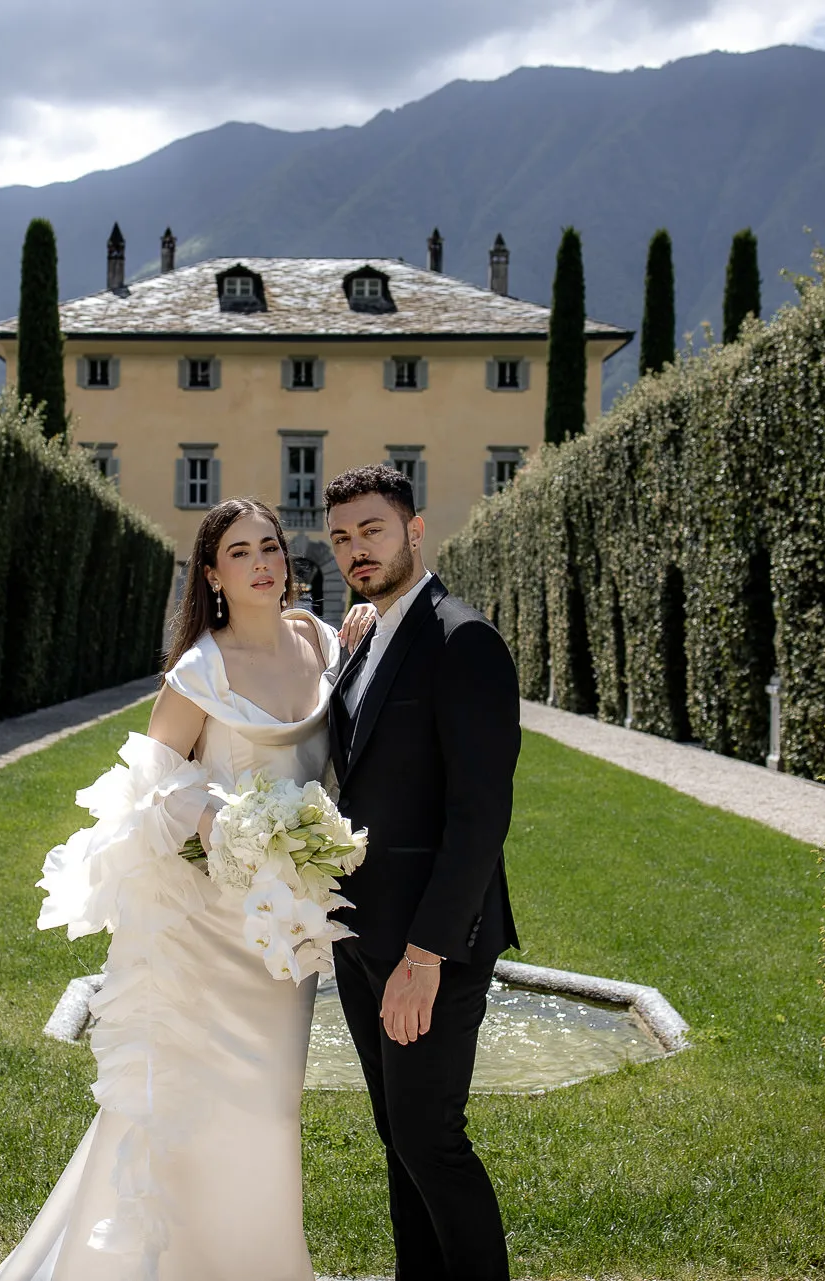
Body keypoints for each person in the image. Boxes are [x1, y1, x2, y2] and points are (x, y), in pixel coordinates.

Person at [0, 496, 372, 1281]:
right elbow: (145, 786)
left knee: (271, 1111)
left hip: (284, 930)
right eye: (241, 552)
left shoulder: (322, 640)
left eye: (271, 546)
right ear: (212, 574)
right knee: (187, 1112)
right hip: (207, 932)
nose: (265, 561)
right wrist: (218, 820)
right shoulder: (199, 670)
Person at [324, 464, 521, 1281]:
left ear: (415, 529)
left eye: (371, 530)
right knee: (397, 1137)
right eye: (340, 537)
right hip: (363, 938)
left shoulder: (462, 638)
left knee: (430, 1139)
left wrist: (426, 954)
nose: (355, 549)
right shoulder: (369, 635)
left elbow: (479, 817)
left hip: (428, 949)